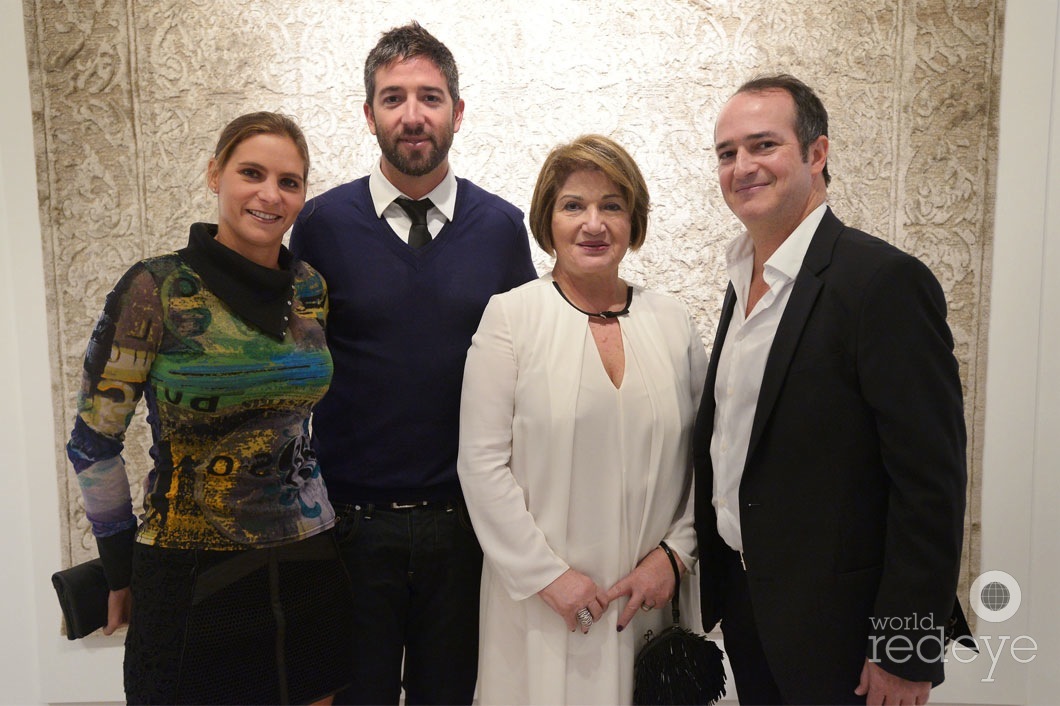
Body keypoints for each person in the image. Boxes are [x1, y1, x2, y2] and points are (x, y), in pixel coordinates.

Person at [692, 74, 968, 705]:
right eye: (727, 153)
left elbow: (931, 483)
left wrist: (906, 647)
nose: (743, 166)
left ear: (817, 154)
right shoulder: (741, 284)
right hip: (750, 608)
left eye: (763, 145)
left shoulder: (883, 283)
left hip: (845, 630)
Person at [66, 111, 353, 705]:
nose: (269, 194)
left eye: (289, 181)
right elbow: (93, 442)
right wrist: (119, 568)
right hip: (190, 569)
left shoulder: (310, 289)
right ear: (214, 174)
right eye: (252, 173)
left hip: (309, 559)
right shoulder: (155, 289)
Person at [289, 22, 537, 706]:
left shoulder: (501, 227)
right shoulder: (320, 225)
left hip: (464, 528)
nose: (413, 114)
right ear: (369, 114)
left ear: (458, 111)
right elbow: (292, 370)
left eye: (429, 96)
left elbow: (528, 372)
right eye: (393, 98)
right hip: (350, 527)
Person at [457, 134, 709, 705]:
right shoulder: (511, 317)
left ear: (633, 221)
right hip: (539, 607)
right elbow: (481, 464)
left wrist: (676, 554)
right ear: (548, 220)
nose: (593, 223)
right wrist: (549, 578)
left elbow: (707, 457)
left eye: (611, 206)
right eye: (574, 205)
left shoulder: (671, 321)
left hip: (647, 603)